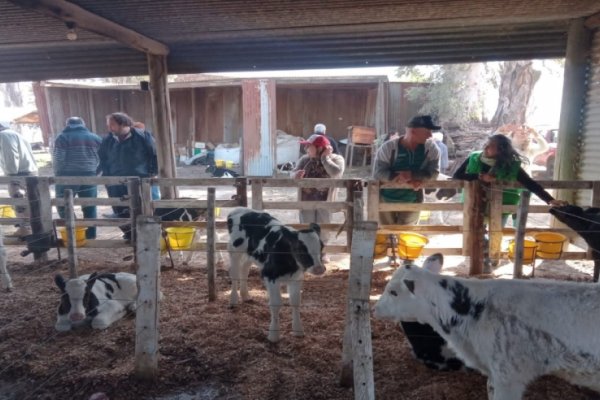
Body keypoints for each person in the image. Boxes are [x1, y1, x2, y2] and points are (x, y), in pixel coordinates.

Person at [452, 134, 568, 267]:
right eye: (487, 144)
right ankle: (480, 259)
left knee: (495, 233)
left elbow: (530, 183)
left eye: (491, 146)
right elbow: (457, 176)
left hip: (501, 205)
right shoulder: (474, 158)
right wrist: (479, 176)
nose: (486, 147)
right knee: (477, 231)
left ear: (501, 150)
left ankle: (492, 260)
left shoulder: (510, 165)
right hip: (475, 204)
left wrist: (550, 200)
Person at [98, 112, 159, 240]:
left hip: (139, 181)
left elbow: (154, 155)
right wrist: (106, 177)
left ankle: (146, 236)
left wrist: (152, 174)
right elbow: (103, 158)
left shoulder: (143, 137)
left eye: (112, 125)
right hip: (115, 182)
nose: (109, 128)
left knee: (143, 208)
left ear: (124, 124)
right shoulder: (108, 140)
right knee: (119, 210)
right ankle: (129, 234)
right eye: (108, 125)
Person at [372, 115, 441, 225]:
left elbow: (434, 173)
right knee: (386, 234)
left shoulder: (431, 149)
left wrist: (411, 175)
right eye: (427, 131)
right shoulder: (388, 148)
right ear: (413, 131)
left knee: (406, 236)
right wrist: (399, 177)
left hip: (413, 199)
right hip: (386, 198)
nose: (430, 135)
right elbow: (378, 173)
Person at [292, 134, 345, 263]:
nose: (306, 150)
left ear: (319, 148)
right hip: (306, 199)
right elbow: (293, 172)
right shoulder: (305, 159)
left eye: (309, 147)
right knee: (307, 226)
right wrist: (295, 175)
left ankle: (323, 251)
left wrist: (325, 158)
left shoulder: (337, 159)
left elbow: (336, 173)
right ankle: (308, 252)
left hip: (325, 201)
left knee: (324, 226)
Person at [53, 117, 102, 239]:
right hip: (90, 176)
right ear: (83, 124)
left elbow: (59, 158)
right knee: (89, 205)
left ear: (67, 125)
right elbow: (103, 157)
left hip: (67, 177)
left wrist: (58, 174)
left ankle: (74, 231)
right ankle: (90, 235)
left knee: (63, 205)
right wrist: (96, 171)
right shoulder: (95, 137)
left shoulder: (63, 137)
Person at [0, 120, 38, 237]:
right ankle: (31, 228)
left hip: (18, 174)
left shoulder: (4, 136)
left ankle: (25, 229)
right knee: (29, 202)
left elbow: (11, 155)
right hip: (29, 171)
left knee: (20, 202)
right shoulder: (15, 134)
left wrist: (10, 175)